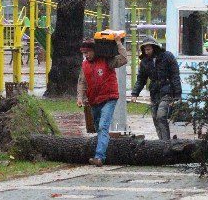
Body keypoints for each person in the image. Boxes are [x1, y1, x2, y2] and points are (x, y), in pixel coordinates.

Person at [76, 34, 127, 166]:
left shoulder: (107, 60)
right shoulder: (84, 65)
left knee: (103, 126)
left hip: (109, 98)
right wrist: (80, 98)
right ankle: (104, 151)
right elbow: (82, 82)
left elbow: (123, 59)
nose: (86, 55)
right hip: (94, 101)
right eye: (84, 53)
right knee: (99, 127)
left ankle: (99, 157)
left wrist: (118, 43)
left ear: (95, 50)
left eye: (88, 52)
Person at [130, 36, 181, 140]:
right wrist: (135, 93)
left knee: (161, 116)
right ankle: (160, 142)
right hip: (154, 93)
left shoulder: (167, 57)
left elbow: (175, 76)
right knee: (154, 118)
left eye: (148, 49)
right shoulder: (144, 62)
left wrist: (177, 95)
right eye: (145, 49)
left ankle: (165, 142)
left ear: (154, 47)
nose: (147, 51)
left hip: (168, 91)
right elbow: (141, 79)